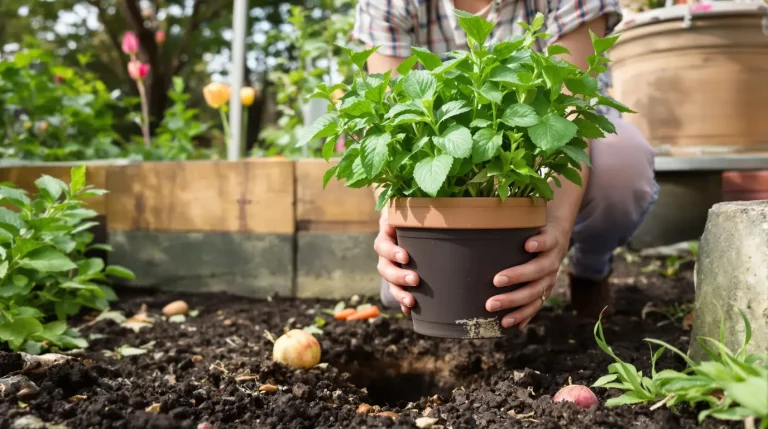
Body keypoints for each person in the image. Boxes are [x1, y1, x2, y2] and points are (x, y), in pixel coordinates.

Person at [352, 0, 659, 331]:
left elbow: (570, 110)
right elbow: (392, 122)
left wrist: (554, 237)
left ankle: (589, 271)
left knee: (622, 165)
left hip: (547, 136)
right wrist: (393, 228)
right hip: (454, 148)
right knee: (400, 292)